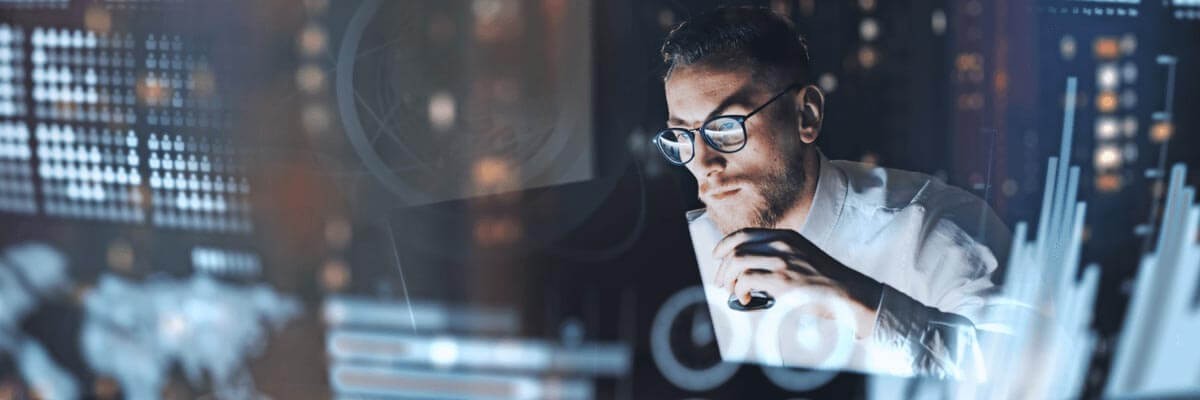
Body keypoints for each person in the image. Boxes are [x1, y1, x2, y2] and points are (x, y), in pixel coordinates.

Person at [655, 6, 1010, 377]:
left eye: (727, 128)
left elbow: (1031, 372)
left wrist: (851, 297)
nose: (705, 162)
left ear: (806, 115)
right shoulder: (674, 255)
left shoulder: (931, 228)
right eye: (682, 137)